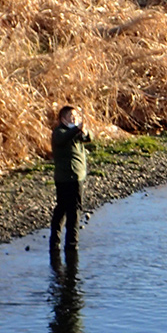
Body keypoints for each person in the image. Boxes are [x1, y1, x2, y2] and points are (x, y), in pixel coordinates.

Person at [50, 104, 92, 252]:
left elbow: (88, 138)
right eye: (70, 116)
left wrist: (83, 130)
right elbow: (62, 139)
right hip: (67, 177)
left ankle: (60, 243)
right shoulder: (59, 132)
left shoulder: (75, 133)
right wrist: (76, 128)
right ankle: (70, 244)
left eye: (76, 116)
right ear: (63, 118)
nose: (74, 119)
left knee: (66, 208)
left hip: (77, 176)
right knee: (70, 210)